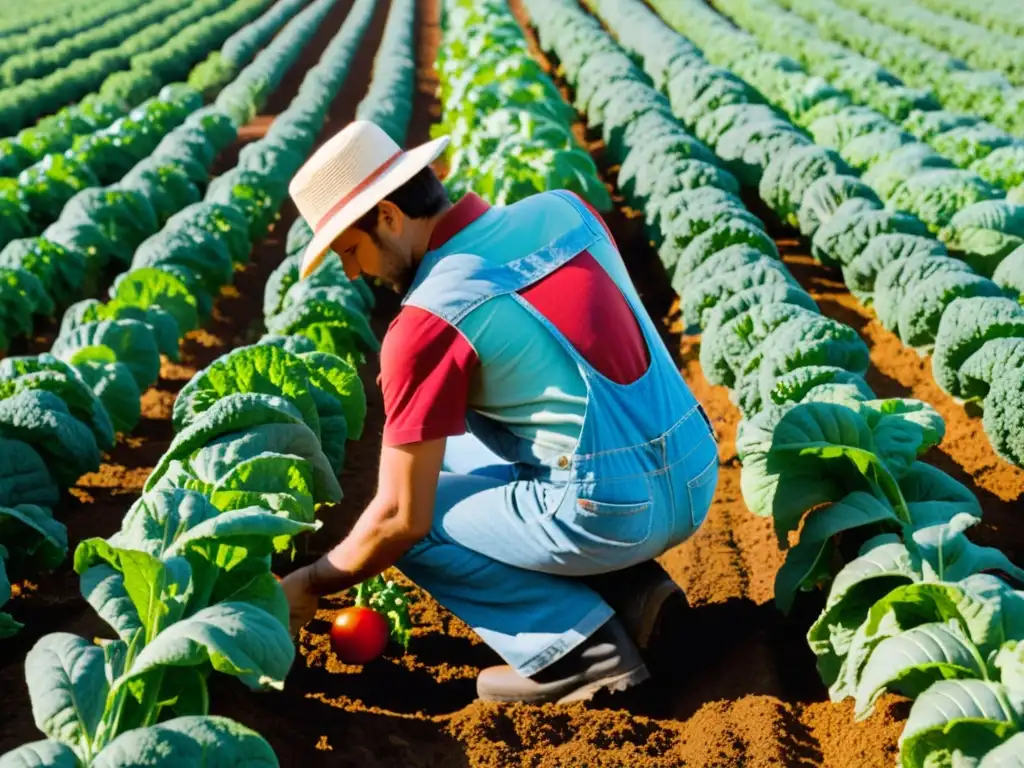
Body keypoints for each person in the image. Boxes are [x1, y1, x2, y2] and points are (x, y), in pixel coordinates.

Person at [280, 120, 719, 704]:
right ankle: (634, 593)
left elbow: (397, 519)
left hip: (611, 512)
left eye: (350, 251)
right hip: (693, 468)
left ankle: (579, 654)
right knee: (451, 450)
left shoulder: (426, 321)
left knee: (417, 515)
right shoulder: (566, 210)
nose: (355, 272)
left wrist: (313, 581)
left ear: (387, 216)